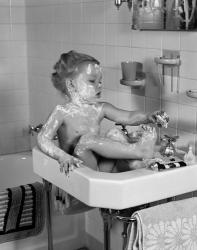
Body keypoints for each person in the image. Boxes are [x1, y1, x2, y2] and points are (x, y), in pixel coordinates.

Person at [37, 50, 169, 176]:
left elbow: (128, 117)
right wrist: (62, 156)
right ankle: (138, 151)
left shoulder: (100, 108)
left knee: (115, 133)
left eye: (100, 81)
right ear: (71, 85)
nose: (99, 85)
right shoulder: (62, 111)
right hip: (81, 168)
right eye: (92, 81)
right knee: (86, 140)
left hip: (101, 169)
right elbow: (43, 138)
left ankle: (137, 162)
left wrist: (148, 117)